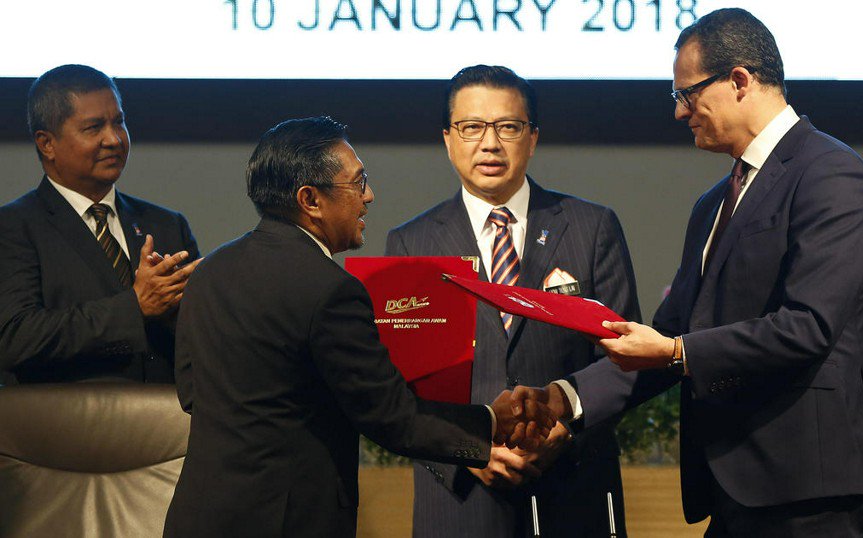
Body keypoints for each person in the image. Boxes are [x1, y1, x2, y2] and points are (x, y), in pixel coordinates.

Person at [518, 8, 863, 536]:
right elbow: (667, 335)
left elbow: (808, 326)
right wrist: (563, 398)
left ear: (740, 80)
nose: (679, 112)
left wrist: (676, 351)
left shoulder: (831, 173)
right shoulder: (714, 203)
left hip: (805, 489)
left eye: (686, 93)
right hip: (732, 490)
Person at [163, 116, 553, 538]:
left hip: (198, 517)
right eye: (358, 182)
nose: (369, 196)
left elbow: (191, 392)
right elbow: (392, 418)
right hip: (288, 521)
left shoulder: (209, 271)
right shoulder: (330, 289)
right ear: (310, 199)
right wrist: (491, 420)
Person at [386, 65, 641, 537]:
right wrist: (466, 449)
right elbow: (403, 387)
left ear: (533, 137)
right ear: (448, 139)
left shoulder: (592, 228)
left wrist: (566, 426)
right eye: (471, 127)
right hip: (460, 506)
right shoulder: (411, 244)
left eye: (508, 127)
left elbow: (626, 359)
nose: (490, 144)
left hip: (573, 492)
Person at [0, 64, 200, 384]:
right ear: (46, 143)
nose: (114, 139)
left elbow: (202, 338)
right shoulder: (14, 227)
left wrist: (185, 312)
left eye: (119, 122)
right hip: (68, 414)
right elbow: (15, 338)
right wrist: (135, 308)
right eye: (94, 128)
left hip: (167, 412)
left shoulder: (166, 224)